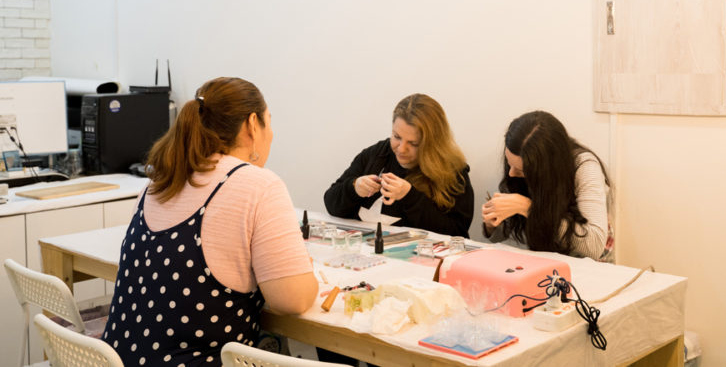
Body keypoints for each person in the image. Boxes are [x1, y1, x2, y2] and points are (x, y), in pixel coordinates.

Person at [102, 77, 318, 366]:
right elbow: (292, 300)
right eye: (269, 122)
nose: (272, 133)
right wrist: (306, 273)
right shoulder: (258, 184)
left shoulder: (160, 181)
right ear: (252, 125)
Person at [324, 93, 474, 238]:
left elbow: (457, 232)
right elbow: (331, 204)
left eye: (413, 143)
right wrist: (354, 188)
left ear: (432, 142)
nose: (401, 149)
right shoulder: (377, 155)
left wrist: (409, 196)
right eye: (396, 137)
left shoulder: (453, 172)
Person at [482, 111, 614, 262]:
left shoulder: (585, 168)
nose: (511, 173)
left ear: (546, 168)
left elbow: (594, 247)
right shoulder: (518, 163)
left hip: (586, 266)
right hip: (542, 260)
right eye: (509, 162)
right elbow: (501, 236)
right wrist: (492, 224)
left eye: (520, 170)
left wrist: (528, 208)